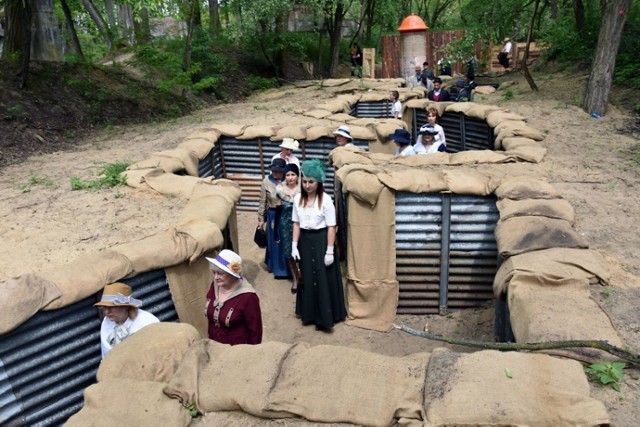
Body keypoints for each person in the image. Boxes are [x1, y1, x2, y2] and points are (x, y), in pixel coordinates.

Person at [291, 159, 347, 331]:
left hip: (321, 240)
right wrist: (294, 245)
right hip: (305, 242)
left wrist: (330, 251)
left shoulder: (326, 201)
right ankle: (309, 314)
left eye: (311, 182)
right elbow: (296, 223)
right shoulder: (298, 198)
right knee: (307, 276)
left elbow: (331, 227)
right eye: (305, 181)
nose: (307, 185)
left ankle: (327, 315)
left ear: (319, 182)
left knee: (323, 277)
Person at [204, 249, 263, 345]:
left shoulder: (248, 297)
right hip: (214, 348)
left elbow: (255, 332)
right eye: (214, 272)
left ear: (232, 274)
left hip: (236, 353)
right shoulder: (215, 285)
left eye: (220, 273)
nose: (215, 277)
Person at [95, 282, 159, 359]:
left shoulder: (147, 323)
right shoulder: (107, 321)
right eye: (105, 307)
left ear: (126, 307)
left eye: (112, 307)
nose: (107, 312)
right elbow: (105, 354)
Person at [258, 158, 288, 278]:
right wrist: (261, 219)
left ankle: (288, 269)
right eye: (273, 171)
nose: (275, 173)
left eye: (278, 171)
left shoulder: (290, 180)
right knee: (275, 242)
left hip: (286, 214)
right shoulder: (266, 181)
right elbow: (262, 201)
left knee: (286, 241)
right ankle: (277, 268)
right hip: (272, 215)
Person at [275, 163, 301, 294]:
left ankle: (304, 277)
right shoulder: (280, 190)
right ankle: (295, 279)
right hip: (285, 225)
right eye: (288, 175)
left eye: (293, 174)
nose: (290, 178)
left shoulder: (304, 189)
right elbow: (278, 211)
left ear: (297, 175)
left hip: (302, 225)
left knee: (302, 251)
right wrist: (275, 232)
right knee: (289, 254)